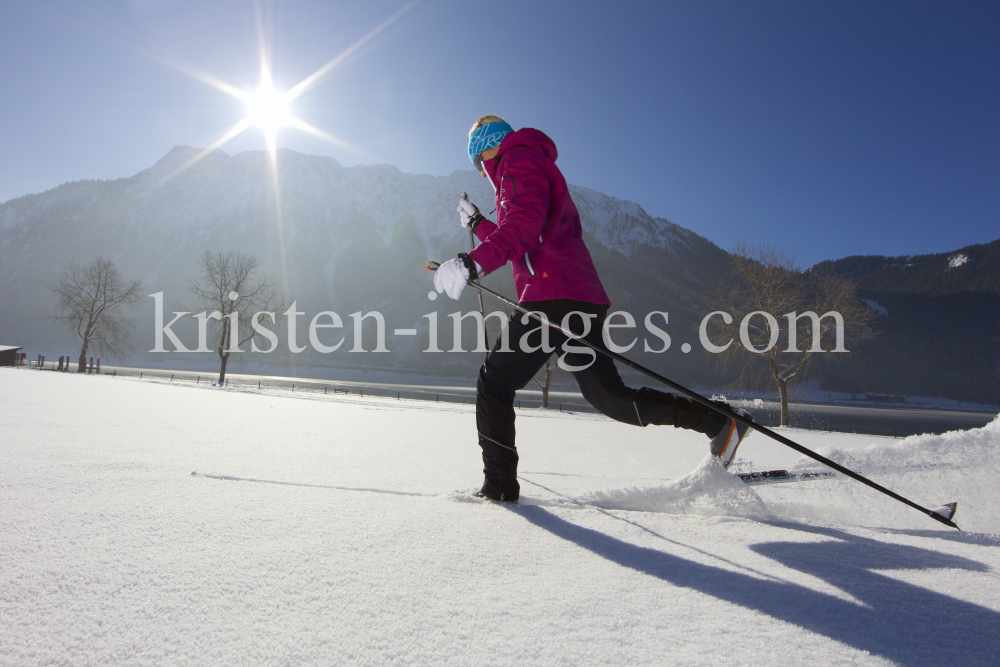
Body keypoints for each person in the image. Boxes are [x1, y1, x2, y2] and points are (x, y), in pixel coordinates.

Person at [433, 115, 751, 502]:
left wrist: (472, 263)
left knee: (493, 384)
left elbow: (525, 226)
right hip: (575, 295)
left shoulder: (516, 161)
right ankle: (719, 422)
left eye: (478, 159)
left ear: (487, 146)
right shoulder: (528, 160)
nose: (480, 170)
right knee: (609, 397)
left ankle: (499, 488)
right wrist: (481, 223)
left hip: (550, 297)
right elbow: (525, 231)